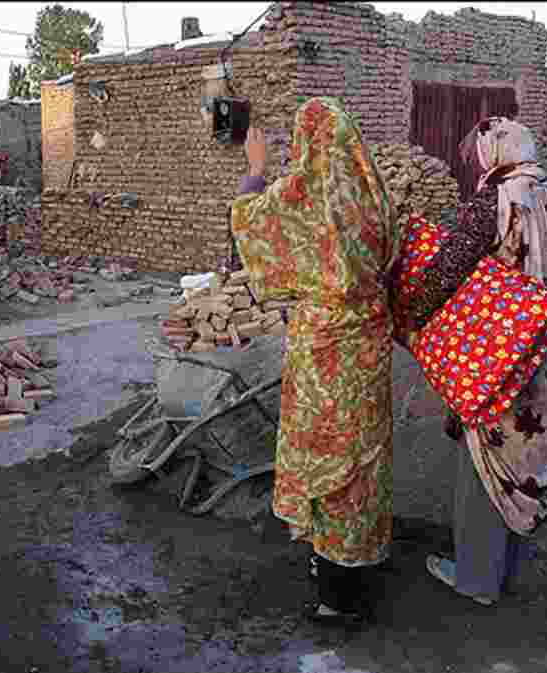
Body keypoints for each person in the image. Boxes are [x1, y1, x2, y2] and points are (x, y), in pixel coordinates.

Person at [231, 98, 400, 622]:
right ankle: (359, 570)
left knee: (325, 456)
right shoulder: (375, 196)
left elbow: (251, 225)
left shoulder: (304, 198)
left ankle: (334, 597)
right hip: (368, 344)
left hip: (323, 351)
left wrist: (255, 170)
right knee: (363, 461)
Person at [407, 117, 547, 606]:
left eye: (474, 156)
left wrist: (411, 315)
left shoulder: (497, 202)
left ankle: (476, 578)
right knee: (527, 453)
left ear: (493, 153)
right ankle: (504, 562)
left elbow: (448, 269)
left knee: (487, 459)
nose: (472, 166)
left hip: (506, 354)